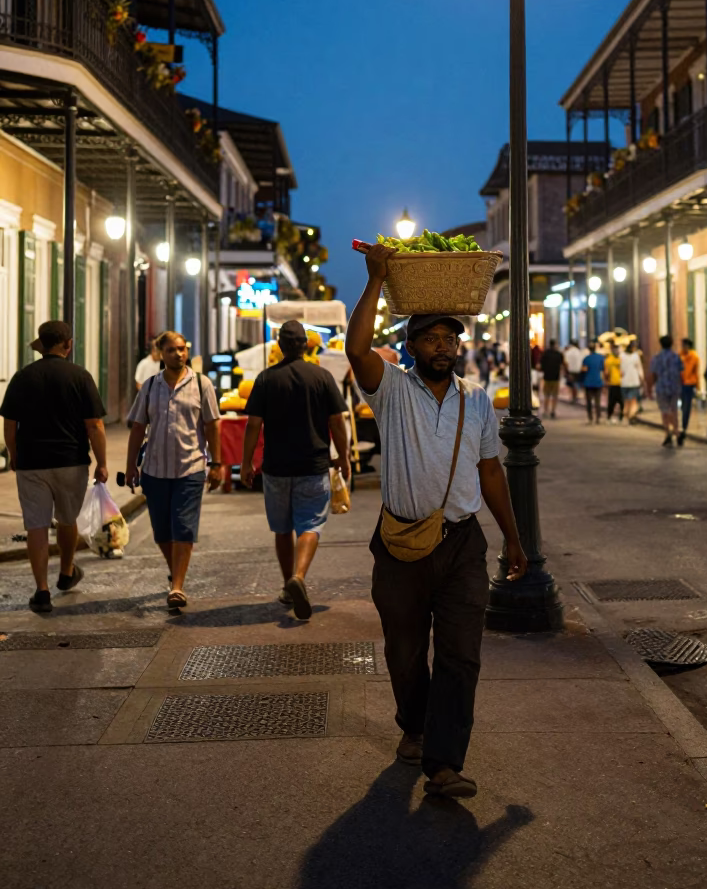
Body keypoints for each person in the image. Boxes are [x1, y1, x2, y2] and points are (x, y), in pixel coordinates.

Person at [346, 244, 527, 800]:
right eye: (431, 339)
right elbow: (356, 351)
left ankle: (445, 762)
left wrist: (514, 541)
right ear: (412, 347)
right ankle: (415, 727)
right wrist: (376, 280)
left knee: (460, 653)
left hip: (462, 544)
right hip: (401, 545)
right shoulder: (394, 390)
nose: (443, 347)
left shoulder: (477, 400)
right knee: (403, 652)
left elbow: (491, 471)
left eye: (450, 339)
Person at [241, 319, 351, 620]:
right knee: (310, 525)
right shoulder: (322, 376)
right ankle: (299, 577)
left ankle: (287, 584)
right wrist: (343, 456)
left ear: (279, 347)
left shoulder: (265, 379)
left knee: (282, 527)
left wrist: (246, 461)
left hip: (276, 468)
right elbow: (336, 421)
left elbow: (253, 424)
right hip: (313, 465)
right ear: (306, 345)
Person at [0, 320, 107, 613]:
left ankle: (42, 590)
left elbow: (10, 424)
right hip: (70, 461)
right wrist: (102, 462)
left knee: (35, 525)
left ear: (42, 343)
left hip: (32, 462)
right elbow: (95, 425)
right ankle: (66, 571)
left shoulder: (22, 377)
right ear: (68, 344)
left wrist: (14, 453)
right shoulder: (80, 376)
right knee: (67, 519)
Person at [125, 330, 223, 610]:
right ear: (161, 353)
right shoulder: (149, 387)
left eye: (182, 349)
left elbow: (212, 425)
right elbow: (137, 427)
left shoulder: (202, 385)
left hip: (190, 468)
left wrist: (216, 463)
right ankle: (175, 571)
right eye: (172, 350)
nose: (178, 354)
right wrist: (131, 465)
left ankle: (177, 586)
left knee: (183, 527)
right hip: (154, 470)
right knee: (161, 532)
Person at [649, 335, 683, 448]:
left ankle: (667, 433)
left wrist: (650, 388)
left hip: (662, 387)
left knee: (665, 411)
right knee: (674, 410)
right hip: (674, 387)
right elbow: (681, 372)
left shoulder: (656, 358)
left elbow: (653, 374)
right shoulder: (676, 357)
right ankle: (677, 432)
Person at [619, 339, 644, 424]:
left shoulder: (621, 355)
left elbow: (619, 368)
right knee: (633, 400)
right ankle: (631, 415)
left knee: (626, 400)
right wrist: (642, 378)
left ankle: (626, 416)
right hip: (633, 381)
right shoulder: (635, 356)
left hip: (624, 381)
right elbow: (639, 368)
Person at [679, 338, 700, 438]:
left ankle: (684, 424)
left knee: (687, 405)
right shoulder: (679, 356)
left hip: (689, 384)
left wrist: (697, 386)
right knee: (683, 405)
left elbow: (696, 372)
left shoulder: (694, 357)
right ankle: (683, 423)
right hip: (681, 383)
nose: (683, 347)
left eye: (684, 345)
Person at [581, 341, 605, 424]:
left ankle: (590, 418)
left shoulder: (586, 358)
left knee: (589, 401)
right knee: (597, 401)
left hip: (588, 382)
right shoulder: (600, 357)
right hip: (598, 381)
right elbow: (603, 369)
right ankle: (598, 418)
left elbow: (584, 370)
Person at [540, 339, 563, 419]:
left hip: (547, 377)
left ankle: (546, 410)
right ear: (555, 344)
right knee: (554, 395)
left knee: (546, 395)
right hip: (556, 377)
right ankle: (553, 411)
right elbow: (561, 365)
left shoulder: (545, 354)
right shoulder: (558, 354)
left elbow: (540, 365)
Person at [603, 342, 623, 423]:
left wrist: (606, 381)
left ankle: (610, 416)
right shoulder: (619, 359)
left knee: (612, 402)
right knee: (619, 402)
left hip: (616, 383)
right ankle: (618, 417)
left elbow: (606, 372)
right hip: (616, 383)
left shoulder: (609, 359)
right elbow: (606, 372)